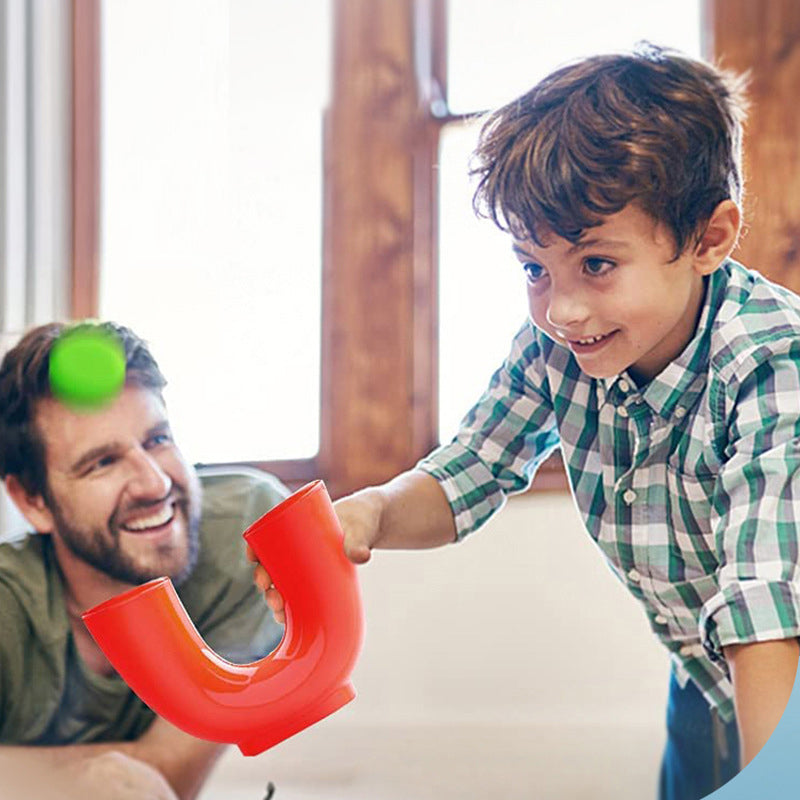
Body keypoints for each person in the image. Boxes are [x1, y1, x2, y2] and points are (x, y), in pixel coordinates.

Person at [253, 44, 800, 800]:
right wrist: (371, 513)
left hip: (779, 664)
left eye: (596, 265)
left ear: (708, 239)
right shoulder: (556, 349)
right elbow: (467, 474)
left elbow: (766, 610)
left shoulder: (773, 366)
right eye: (534, 269)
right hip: (705, 677)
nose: (562, 309)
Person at [0, 321, 287, 800]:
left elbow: (157, 781)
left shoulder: (248, 537)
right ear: (32, 501)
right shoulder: (9, 610)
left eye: (157, 440)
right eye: (102, 463)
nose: (155, 484)